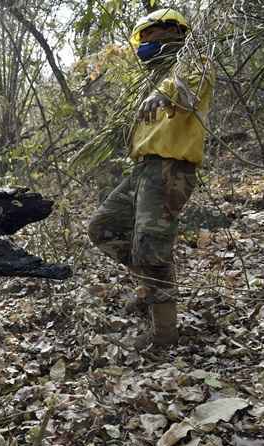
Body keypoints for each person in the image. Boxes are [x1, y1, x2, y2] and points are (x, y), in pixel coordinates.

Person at [87, 8, 215, 349]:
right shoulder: (155, 79)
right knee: (103, 227)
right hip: (144, 170)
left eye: (149, 37)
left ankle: (163, 335)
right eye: (140, 39)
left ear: (172, 32)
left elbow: (188, 87)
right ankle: (150, 285)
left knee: (151, 249)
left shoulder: (193, 63)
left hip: (170, 170)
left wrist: (165, 93)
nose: (143, 45)